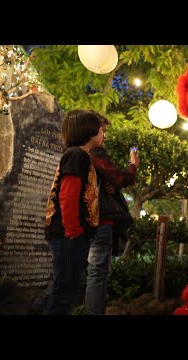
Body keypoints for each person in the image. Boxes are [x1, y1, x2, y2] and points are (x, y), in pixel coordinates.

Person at [43, 109, 104, 315]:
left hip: (70, 234)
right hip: (69, 234)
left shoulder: (79, 156)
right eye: (100, 129)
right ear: (89, 131)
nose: (103, 132)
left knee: (63, 287)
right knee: (65, 291)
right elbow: (68, 195)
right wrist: (74, 230)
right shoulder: (77, 156)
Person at [85, 114, 139, 315]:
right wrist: (133, 165)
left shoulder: (81, 153)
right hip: (101, 218)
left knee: (97, 271)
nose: (104, 136)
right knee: (98, 272)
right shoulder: (95, 152)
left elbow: (109, 180)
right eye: (102, 131)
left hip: (93, 218)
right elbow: (119, 178)